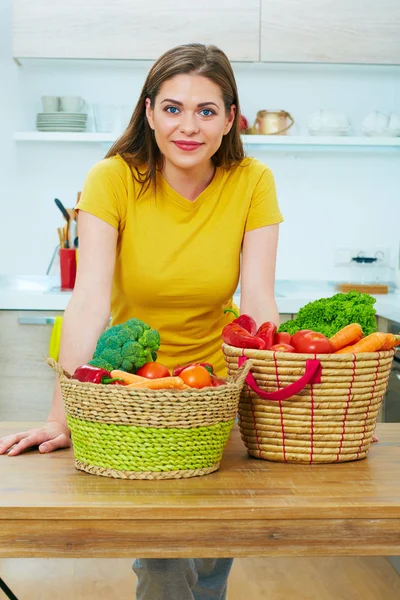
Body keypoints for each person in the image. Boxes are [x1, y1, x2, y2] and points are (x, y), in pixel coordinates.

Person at [0, 43, 283, 599]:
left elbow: (258, 307)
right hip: (132, 394)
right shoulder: (114, 179)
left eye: (206, 111)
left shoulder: (252, 180)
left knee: (209, 556)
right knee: (160, 560)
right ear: (149, 111)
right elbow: (88, 303)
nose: (188, 126)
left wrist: (273, 413)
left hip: (212, 394)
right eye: (173, 108)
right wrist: (64, 417)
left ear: (230, 120)